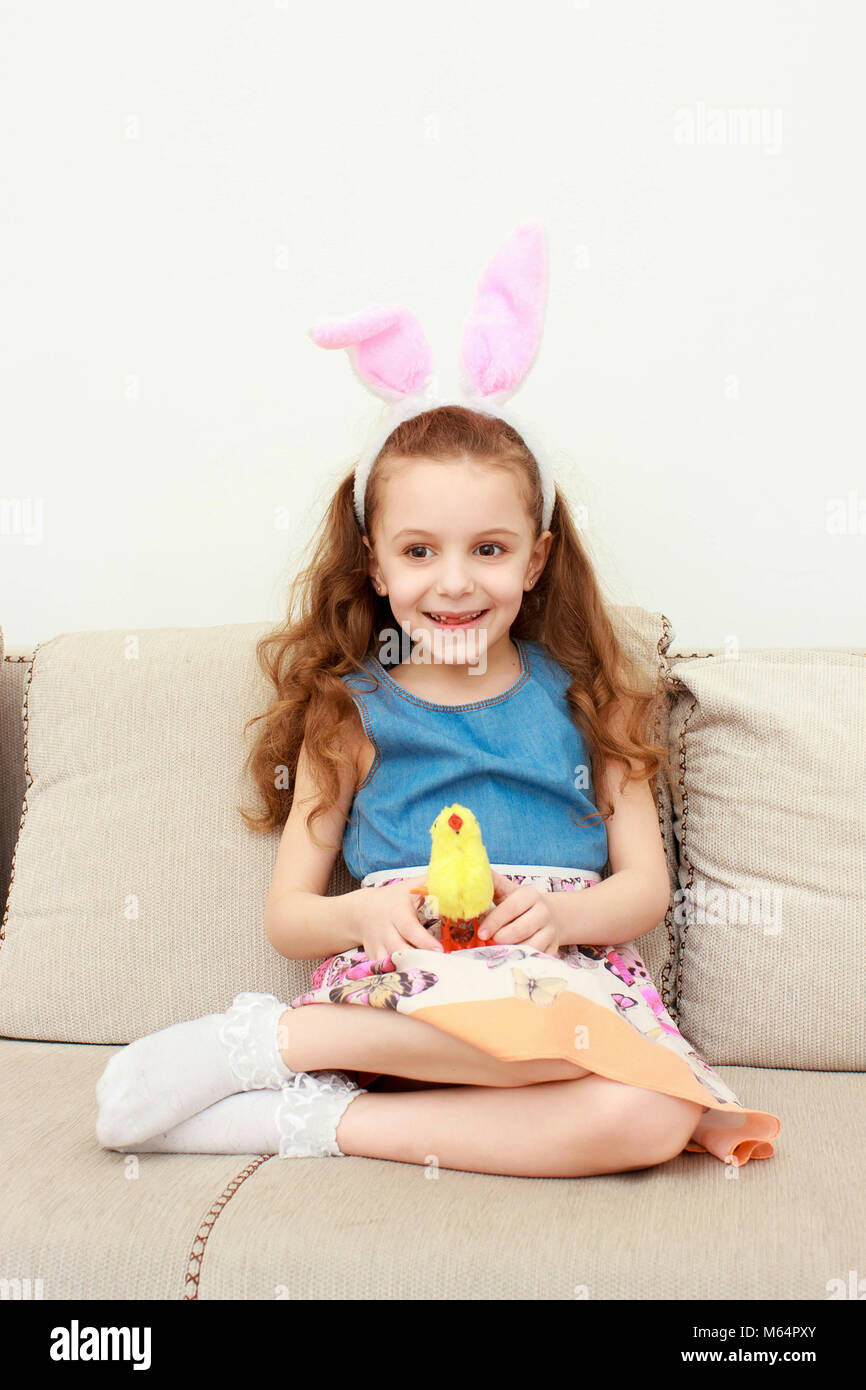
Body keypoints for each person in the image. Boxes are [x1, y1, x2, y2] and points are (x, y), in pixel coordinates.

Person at [95, 225, 780, 1176]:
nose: (454, 583)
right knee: (581, 1059)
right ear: (374, 562)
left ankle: (296, 1106)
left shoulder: (594, 700)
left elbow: (643, 889)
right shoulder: (354, 711)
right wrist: (363, 918)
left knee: (655, 1121)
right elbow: (290, 914)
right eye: (420, 551)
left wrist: (564, 919)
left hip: (566, 995)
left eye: (488, 550)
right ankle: (285, 1039)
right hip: (418, 991)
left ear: (535, 559)